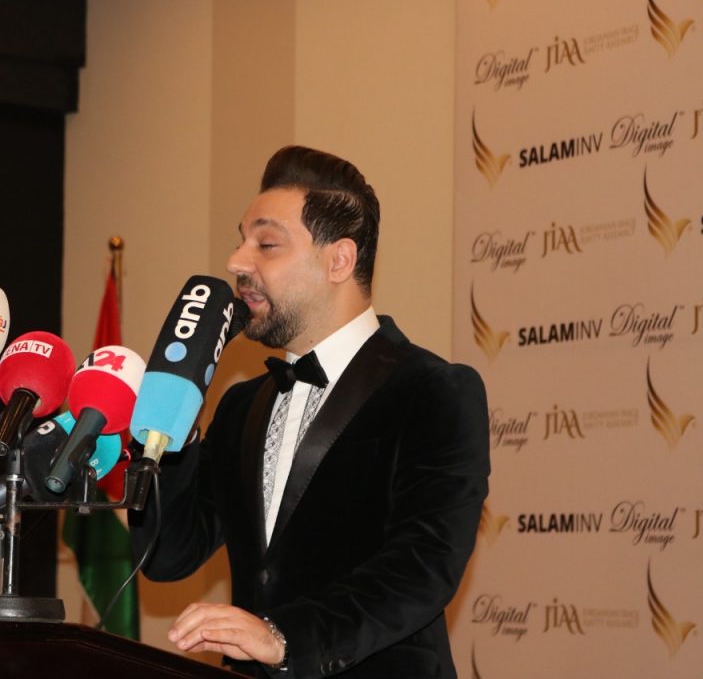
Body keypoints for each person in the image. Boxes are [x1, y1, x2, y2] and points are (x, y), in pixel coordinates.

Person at [130, 145, 490, 678]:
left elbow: (424, 565)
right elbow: (166, 556)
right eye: (240, 240)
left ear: (339, 260)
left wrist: (283, 637)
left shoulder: (434, 390)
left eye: (266, 244)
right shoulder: (240, 406)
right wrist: (172, 426)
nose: (236, 262)